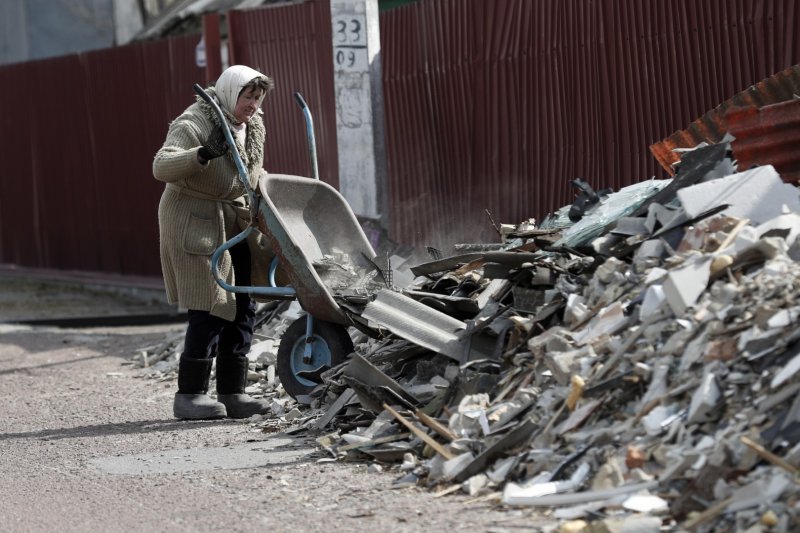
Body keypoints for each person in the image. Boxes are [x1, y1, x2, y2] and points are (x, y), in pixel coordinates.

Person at [153, 65, 275, 420]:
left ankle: (232, 392)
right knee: (210, 304)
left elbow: (253, 171)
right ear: (228, 92)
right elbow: (161, 166)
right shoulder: (194, 122)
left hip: (233, 220)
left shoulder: (252, 126)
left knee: (243, 304)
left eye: (258, 97)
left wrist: (269, 189)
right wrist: (202, 153)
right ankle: (189, 396)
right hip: (193, 218)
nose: (252, 105)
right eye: (247, 96)